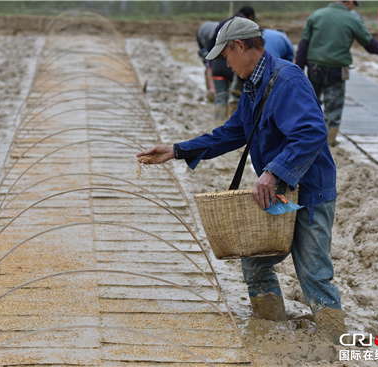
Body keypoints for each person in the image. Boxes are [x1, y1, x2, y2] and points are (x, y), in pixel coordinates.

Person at [137, 17, 346, 344]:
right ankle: (272, 335)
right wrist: (177, 150)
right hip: (278, 192)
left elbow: (311, 133)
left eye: (226, 55)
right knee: (255, 262)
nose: (226, 63)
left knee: (314, 275)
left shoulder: (287, 79)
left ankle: (337, 347)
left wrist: (273, 171)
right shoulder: (253, 85)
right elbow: (233, 132)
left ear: (241, 46)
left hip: (309, 190)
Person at [295, 1, 378, 145]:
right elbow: (369, 44)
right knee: (334, 107)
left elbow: (303, 45)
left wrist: (298, 70)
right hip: (336, 70)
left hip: (314, 68)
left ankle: (307, 137)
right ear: (350, 2)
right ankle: (329, 141)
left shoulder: (316, 15)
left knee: (311, 102)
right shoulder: (353, 19)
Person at [208, 5, 255, 120]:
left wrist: (211, 66)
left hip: (217, 66)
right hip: (234, 66)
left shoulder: (222, 24)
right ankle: (233, 126)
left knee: (220, 97)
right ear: (250, 17)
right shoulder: (245, 26)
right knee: (235, 98)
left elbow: (210, 46)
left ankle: (217, 124)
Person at [196, 21, 219, 102]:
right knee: (208, 63)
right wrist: (212, 89)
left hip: (209, 34)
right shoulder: (212, 41)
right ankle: (209, 89)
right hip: (201, 36)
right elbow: (209, 66)